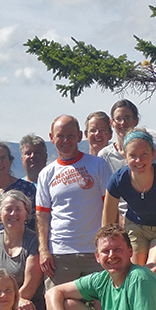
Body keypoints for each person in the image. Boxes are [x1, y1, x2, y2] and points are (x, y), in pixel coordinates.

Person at [36, 115, 112, 287]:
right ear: (51, 138)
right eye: (60, 136)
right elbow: (42, 215)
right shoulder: (47, 173)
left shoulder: (98, 165)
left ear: (79, 136)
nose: (65, 140)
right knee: (60, 305)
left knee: (104, 305)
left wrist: (108, 243)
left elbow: (110, 207)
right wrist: (43, 250)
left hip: (95, 251)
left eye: (70, 135)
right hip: (60, 253)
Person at [102, 129, 156, 280]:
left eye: (144, 155)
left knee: (150, 272)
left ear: (153, 154)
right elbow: (106, 227)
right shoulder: (117, 180)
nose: (138, 161)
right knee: (134, 273)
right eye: (133, 156)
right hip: (135, 228)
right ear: (125, 156)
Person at [0, 141, 37, 229]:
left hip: (24, 241)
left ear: (10, 161)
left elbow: (38, 220)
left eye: (3, 158)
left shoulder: (27, 189)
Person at [99, 99, 140, 173]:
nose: (123, 123)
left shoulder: (148, 150)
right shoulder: (104, 156)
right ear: (112, 123)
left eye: (127, 118)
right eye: (118, 119)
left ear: (136, 121)